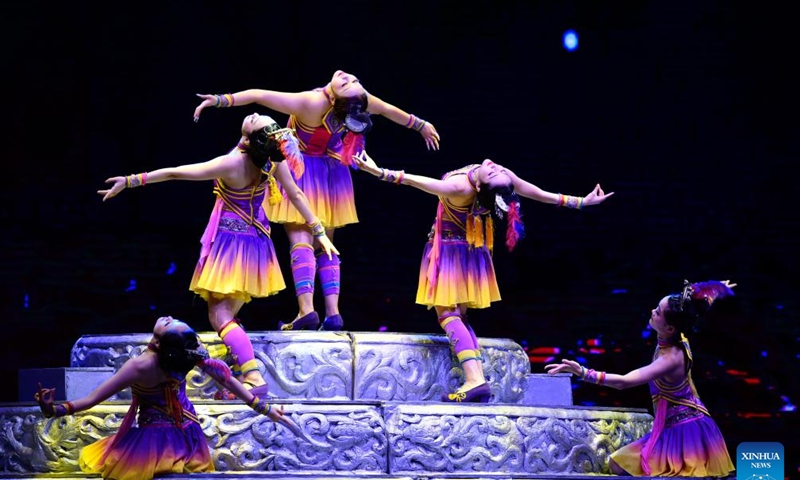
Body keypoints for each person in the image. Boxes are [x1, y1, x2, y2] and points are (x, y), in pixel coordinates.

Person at [98, 113, 339, 399]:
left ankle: (252, 377)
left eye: (258, 120)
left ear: (249, 139)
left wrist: (131, 181)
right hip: (257, 242)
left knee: (220, 314)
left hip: (232, 243)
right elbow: (296, 194)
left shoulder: (232, 163)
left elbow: (177, 172)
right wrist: (319, 230)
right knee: (230, 313)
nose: (255, 113)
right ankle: (238, 376)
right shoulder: (272, 161)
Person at [352, 151, 613, 402]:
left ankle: (475, 379)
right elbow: (536, 192)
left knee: (448, 315)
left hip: (452, 251)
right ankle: (475, 380)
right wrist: (579, 201)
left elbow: (415, 181)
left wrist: (378, 172)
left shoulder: (460, 187)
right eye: (496, 170)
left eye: (493, 173)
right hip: (471, 251)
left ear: (479, 188)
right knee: (459, 315)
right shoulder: (501, 182)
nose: (495, 166)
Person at [193, 70, 441, 331]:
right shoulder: (359, 100)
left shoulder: (311, 103)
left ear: (335, 101)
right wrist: (420, 125)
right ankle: (333, 312)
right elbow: (390, 110)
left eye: (350, 83)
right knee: (327, 243)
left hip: (302, 170)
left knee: (301, 240)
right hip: (332, 174)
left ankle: (306, 310)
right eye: (352, 81)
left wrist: (220, 100)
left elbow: (258, 95)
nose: (349, 78)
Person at [34, 316, 296, 480]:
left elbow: (93, 399)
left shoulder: (139, 366)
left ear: (158, 344)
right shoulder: (185, 355)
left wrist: (54, 410)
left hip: (162, 441)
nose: (168, 316)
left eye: (170, 323)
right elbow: (227, 380)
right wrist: (266, 409)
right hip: (187, 435)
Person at [545, 280, 737, 477]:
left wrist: (584, 373)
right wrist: (713, 292)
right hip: (676, 425)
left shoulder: (671, 358)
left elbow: (624, 382)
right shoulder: (678, 334)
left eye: (658, 312)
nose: (653, 311)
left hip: (686, 431)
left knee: (631, 467)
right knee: (618, 464)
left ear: (670, 328)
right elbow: (692, 311)